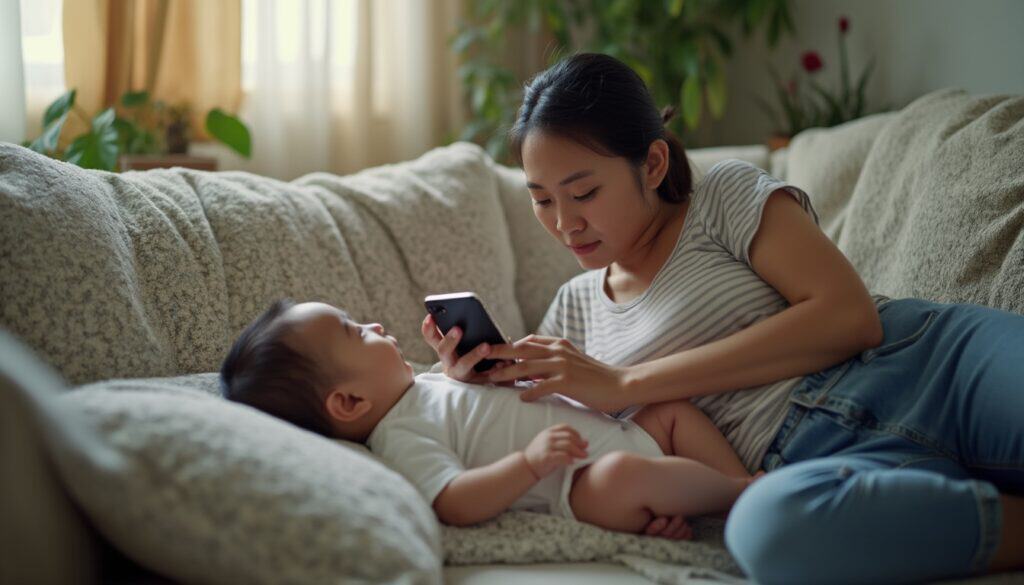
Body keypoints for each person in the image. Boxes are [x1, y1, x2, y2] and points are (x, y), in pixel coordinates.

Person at [420, 52, 1024, 583]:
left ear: (652, 165)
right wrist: (470, 377)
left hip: (926, 364)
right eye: (542, 199)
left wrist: (627, 383)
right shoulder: (570, 315)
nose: (564, 223)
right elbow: (569, 458)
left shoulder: (721, 198)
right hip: (807, 467)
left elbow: (850, 318)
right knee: (766, 534)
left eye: (584, 193)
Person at [219, 299, 764, 538]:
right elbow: (454, 501)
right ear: (349, 404)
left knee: (670, 410)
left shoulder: (427, 386)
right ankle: (745, 495)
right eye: (357, 332)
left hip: (622, 432)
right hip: (579, 484)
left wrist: (471, 367)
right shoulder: (401, 435)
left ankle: (732, 482)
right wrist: (528, 465)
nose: (376, 325)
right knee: (625, 477)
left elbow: (464, 401)